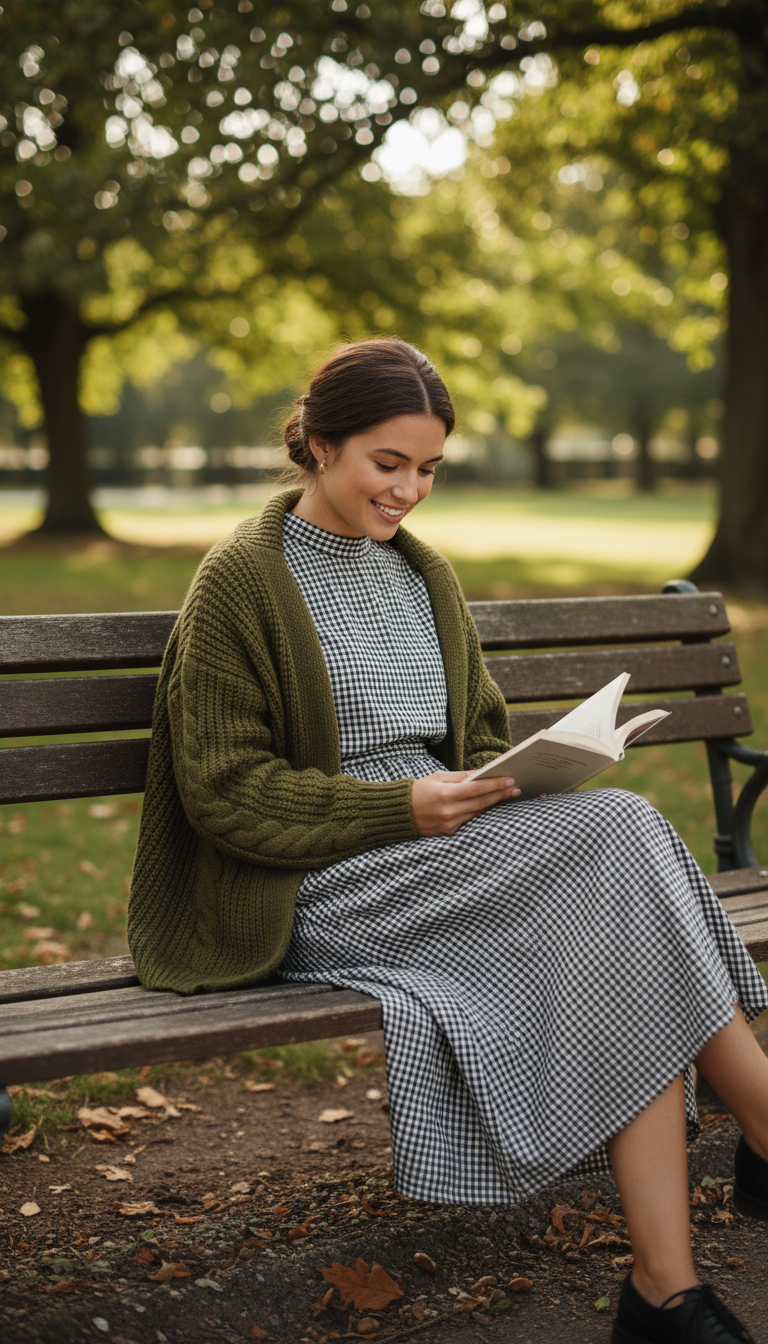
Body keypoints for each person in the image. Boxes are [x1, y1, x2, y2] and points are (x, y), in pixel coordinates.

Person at [128, 339, 768, 1344]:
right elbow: (226, 794)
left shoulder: (423, 577)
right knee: (621, 845)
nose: (410, 491)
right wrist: (400, 810)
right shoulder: (241, 583)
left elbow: (470, 744)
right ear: (320, 442)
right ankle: (743, 1163)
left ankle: (669, 1286)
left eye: (428, 469)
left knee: (614, 865)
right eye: (389, 464)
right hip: (321, 883)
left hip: (445, 857)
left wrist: (519, 774)